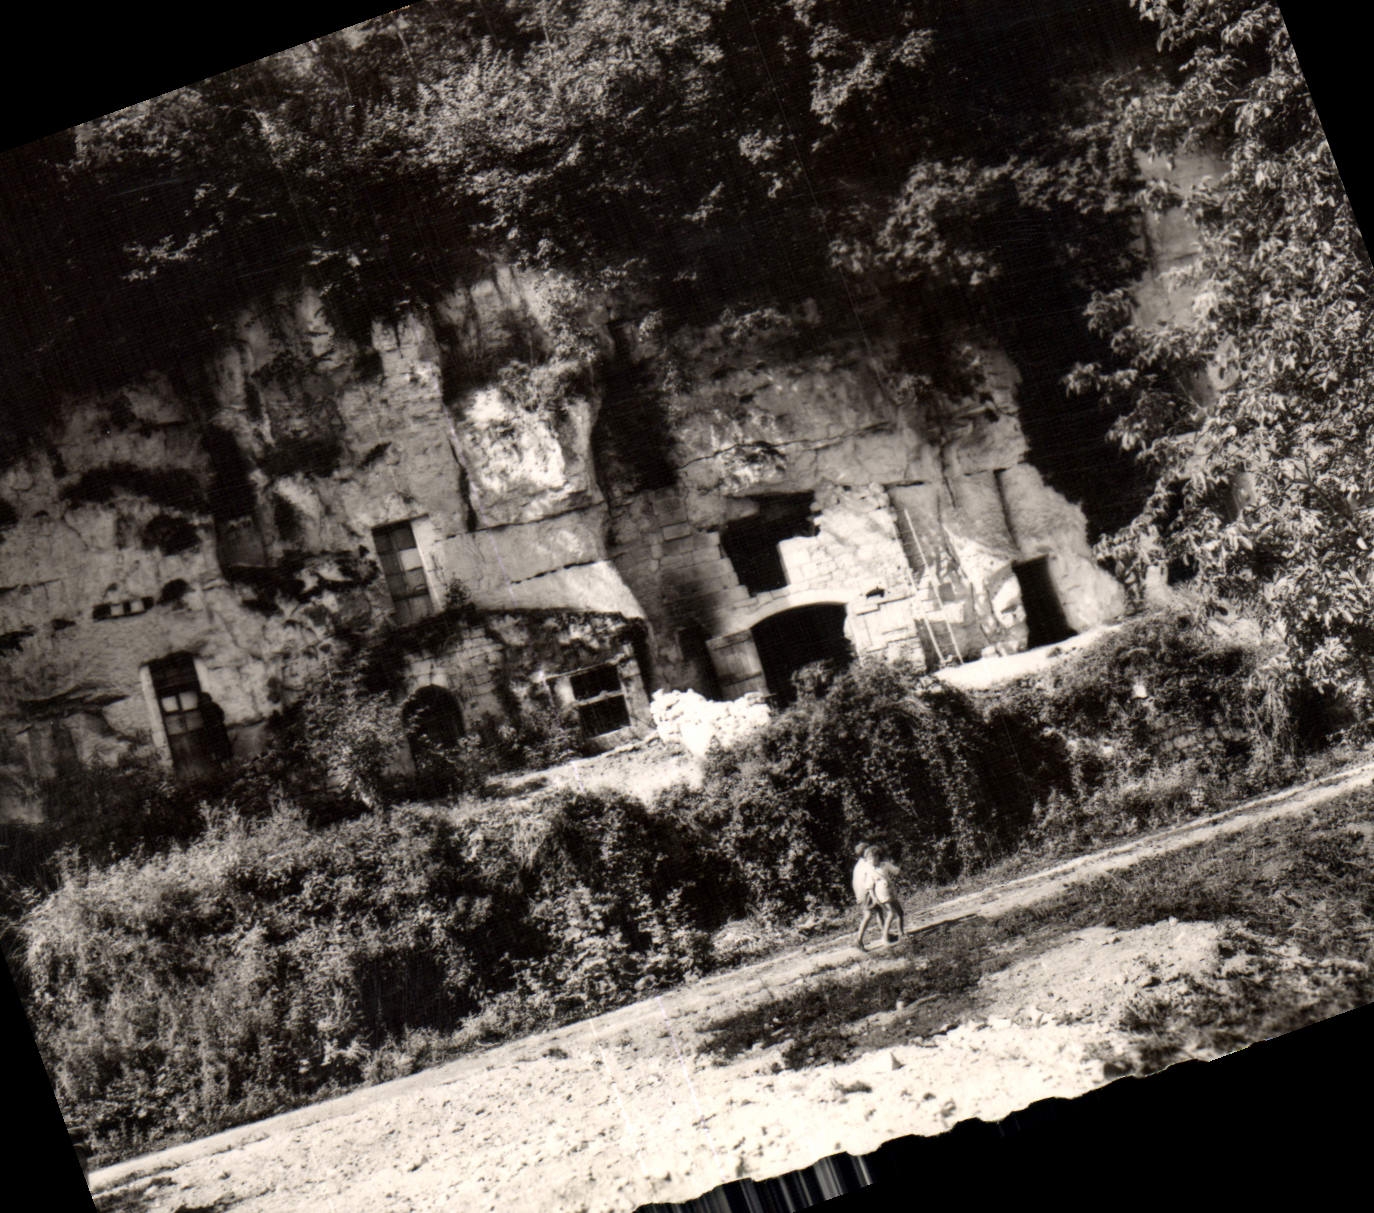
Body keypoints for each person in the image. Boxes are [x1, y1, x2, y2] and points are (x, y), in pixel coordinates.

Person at [869, 845, 905, 945]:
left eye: (874, 856)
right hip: (881, 893)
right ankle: (885, 937)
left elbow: (896, 871)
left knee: (900, 912)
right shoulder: (870, 870)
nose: (872, 860)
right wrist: (874, 898)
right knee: (891, 913)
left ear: (878, 856)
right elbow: (870, 887)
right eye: (870, 858)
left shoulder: (885, 865)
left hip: (890, 890)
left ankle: (901, 934)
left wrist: (901, 873)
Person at [853, 842, 879, 950]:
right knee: (868, 915)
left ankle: (885, 934)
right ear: (864, 853)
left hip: (861, 893)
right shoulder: (866, 864)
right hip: (865, 893)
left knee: (879, 911)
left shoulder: (858, 865)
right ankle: (858, 940)